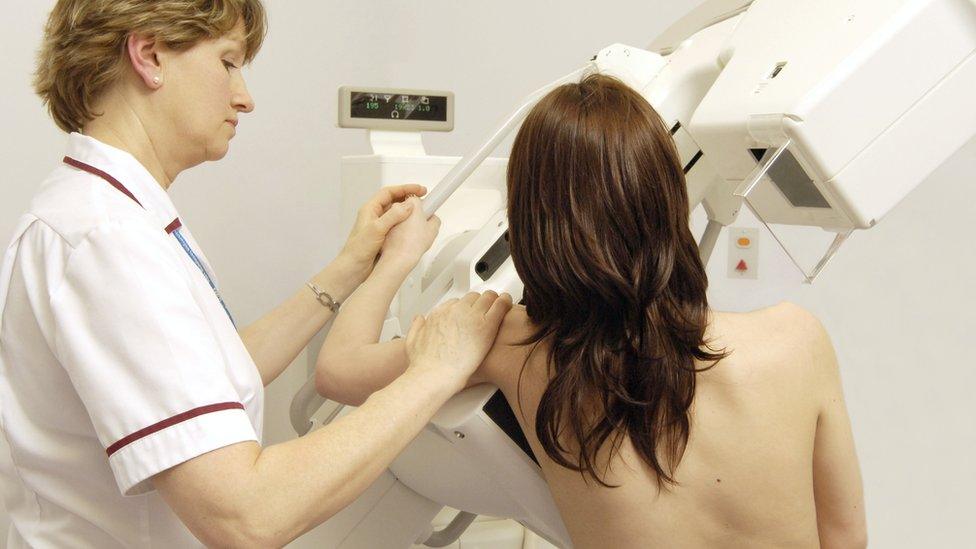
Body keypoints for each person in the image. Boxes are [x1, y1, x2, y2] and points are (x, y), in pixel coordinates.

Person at [0, 0, 511, 546]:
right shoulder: (107, 239)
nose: (244, 97)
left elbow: (210, 378)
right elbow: (244, 515)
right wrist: (433, 372)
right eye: (228, 63)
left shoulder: (114, 214)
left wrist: (351, 266)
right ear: (149, 56)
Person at [316, 74, 868, 548]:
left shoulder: (516, 345)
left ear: (531, 221)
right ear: (667, 197)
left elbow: (338, 371)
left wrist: (395, 259)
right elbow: (845, 539)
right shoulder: (799, 340)